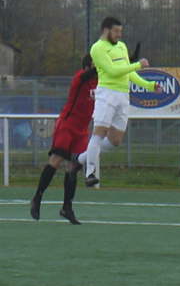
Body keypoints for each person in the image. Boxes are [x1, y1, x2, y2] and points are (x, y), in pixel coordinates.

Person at [69, 17, 161, 186]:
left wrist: (148, 85)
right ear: (106, 30)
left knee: (115, 141)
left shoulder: (121, 46)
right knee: (99, 133)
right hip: (107, 94)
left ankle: (79, 159)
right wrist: (137, 65)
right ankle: (90, 173)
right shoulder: (97, 48)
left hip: (123, 96)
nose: (119, 35)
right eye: (116, 31)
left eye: (120, 31)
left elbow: (127, 73)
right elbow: (112, 71)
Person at [30, 54, 97, 224]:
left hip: (81, 130)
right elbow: (99, 70)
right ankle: (37, 197)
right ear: (88, 65)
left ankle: (67, 208)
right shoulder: (80, 78)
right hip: (67, 125)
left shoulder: (99, 81)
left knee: (74, 167)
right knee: (56, 160)